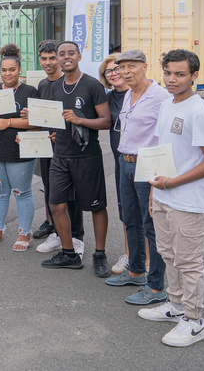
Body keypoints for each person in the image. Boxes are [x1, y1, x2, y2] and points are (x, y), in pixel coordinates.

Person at [138, 49, 204, 347]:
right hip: (163, 195)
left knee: (188, 261)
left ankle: (194, 320)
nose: (172, 79)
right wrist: (154, 189)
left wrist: (172, 182)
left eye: (180, 74)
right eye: (168, 73)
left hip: (187, 200)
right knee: (168, 253)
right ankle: (175, 306)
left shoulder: (199, 111)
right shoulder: (167, 105)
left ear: (194, 76)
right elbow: (164, 151)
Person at [31, 41, 112, 275]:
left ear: (79, 56)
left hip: (87, 156)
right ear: (57, 58)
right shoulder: (56, 87)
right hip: (60, 155)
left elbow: (106, 121)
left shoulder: (92, 85)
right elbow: (55, 119)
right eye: (61, 54)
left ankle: (100, 254)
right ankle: (69, 254)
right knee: (56, 203)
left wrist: (80, 120)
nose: (66, 58)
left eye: (71, 53)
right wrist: (37, 119)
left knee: (96, 207)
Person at [103, 50, 172, 304]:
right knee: (130, 219)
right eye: (122, 68)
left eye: (132, 66)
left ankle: (156, 287)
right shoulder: (128, 94)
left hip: (148, 164)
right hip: (126, 160)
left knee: (151, 226)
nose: (126, 72)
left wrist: (158, 178)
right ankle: (135, 271)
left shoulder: (161, 97)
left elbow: (166, 138)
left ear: (145, 66)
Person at [0, 45, 40, 251]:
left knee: (22, 192)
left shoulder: (30, 91)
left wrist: (9, 122)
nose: (8, 73)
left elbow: (38, 122)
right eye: (4, 70)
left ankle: (24, 233)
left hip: (20, 152)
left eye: (12, 69)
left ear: (19, 70)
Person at [33, 40, 86, 251]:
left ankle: (76, 237)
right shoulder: (44, 85)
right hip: (47, 147)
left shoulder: (71, 83)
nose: (49, 63)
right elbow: (43, 118)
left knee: (70, 195)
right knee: (51, 191)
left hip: (68, 149)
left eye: (52, 58)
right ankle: (56, 231)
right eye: (44, 59)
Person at [99, 53, 132, 275]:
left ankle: (148, 259)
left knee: (146, 212)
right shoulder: (108, 98)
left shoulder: (141, 94)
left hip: (142, 160)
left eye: (117, 69)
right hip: (121, 161)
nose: (113, 74)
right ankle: (130, 255)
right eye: (108, 71)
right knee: (127, 210)